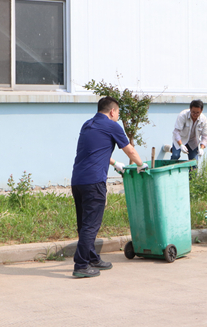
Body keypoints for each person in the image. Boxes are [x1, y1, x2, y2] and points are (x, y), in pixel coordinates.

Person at [71, 96, 146, 278]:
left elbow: (95, 151)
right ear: (112, 111)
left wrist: (113, 163)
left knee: (84, 224)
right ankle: (81, 265)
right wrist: (141, 165)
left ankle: (92, 258)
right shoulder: (112, 126)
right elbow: (130, 150)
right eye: (118, 113)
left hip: (78, 181)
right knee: (91, 225)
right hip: (94, 182)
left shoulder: (87, 125)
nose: (118, 116)